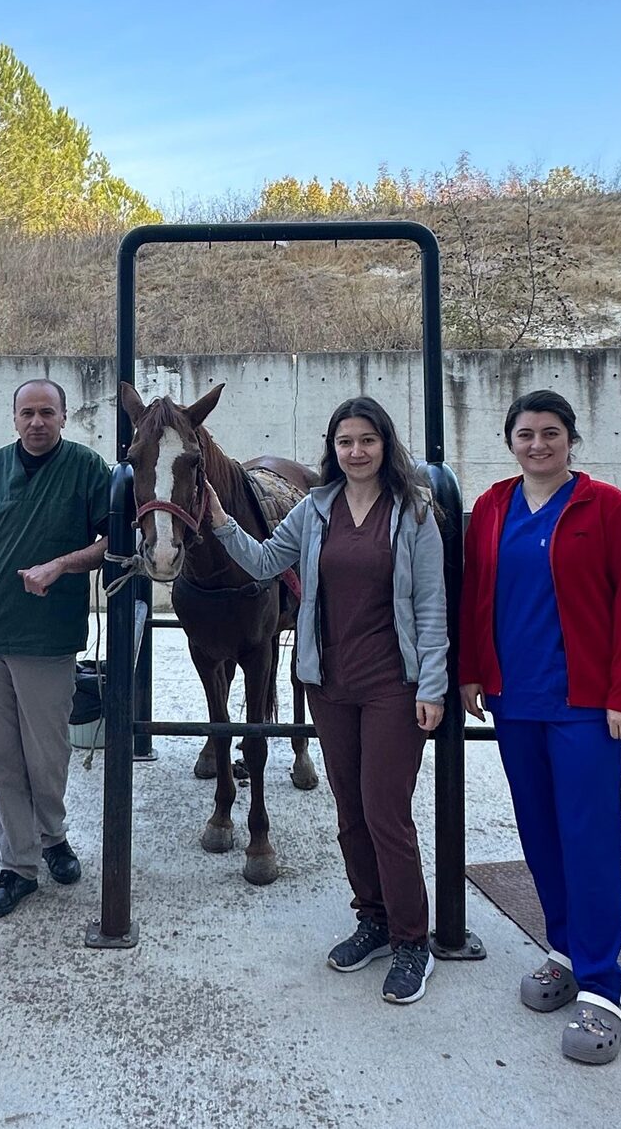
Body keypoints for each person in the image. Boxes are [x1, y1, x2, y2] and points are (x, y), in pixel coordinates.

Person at [206, 396, 446, 1005]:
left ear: (385, 445)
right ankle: (371, 919)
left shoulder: (413, 511)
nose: (357, 451)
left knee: (386, 811)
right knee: (348, 810)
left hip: (395, 683)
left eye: (367, 440)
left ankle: (412, 938)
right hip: (329, 681)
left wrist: (435, 686)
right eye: (345, 442)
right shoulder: (316, 509)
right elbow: (263, 562)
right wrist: (216, 520)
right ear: (332, 450)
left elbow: (432, 606)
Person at [460, 390, 621, 1065]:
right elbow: (475, 595)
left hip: (586, 705)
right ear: (509, 441)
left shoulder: (607, 508)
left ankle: (603, 988)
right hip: (516, 702)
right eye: (525, 434)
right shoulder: (490, 508)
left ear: (572, 439)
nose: (537, 444)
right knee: (539, 836)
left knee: (589, 841)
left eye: (550, 433)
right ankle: (564, 951)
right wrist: (471, 673)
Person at [0, 379, 110, 919]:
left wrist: (62, 564)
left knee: (46, 756)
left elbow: (112, 539)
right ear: (14, 417)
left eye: (48, 412)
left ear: (65, 417)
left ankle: (53, 836)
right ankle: (17, 866)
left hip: (45, 640)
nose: (37, 422)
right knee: (0, 759)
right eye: (27, 412)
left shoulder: (88, 469)